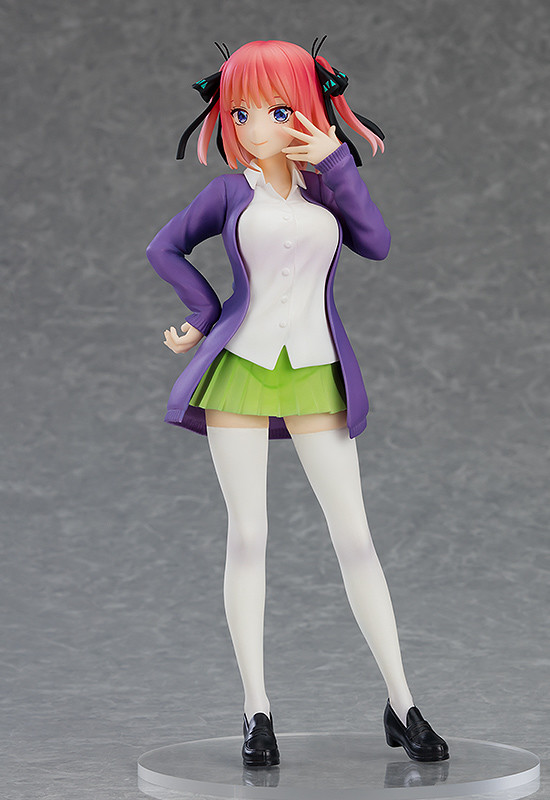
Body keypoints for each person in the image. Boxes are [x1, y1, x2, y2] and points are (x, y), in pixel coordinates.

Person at [146, 38, 449, 767]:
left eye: (277, 110)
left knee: (356, 537)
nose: (256, 127)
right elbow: (165, 247)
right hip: (242, 370)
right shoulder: (230, 194)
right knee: (248, 536)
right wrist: (202, 313)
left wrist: (337, 161)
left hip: (316, 369)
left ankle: (403, 702)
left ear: (310, 109)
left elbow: (376, 242)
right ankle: (257, 709)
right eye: (241, 112)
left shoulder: (325, 190)